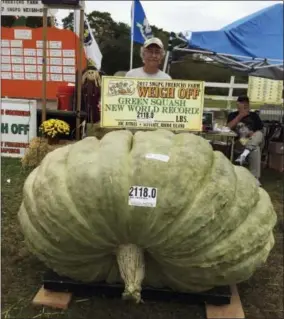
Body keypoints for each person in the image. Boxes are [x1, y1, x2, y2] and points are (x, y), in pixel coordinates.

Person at [227, 95, 264, 184]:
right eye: (242, 104)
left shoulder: (254, 115)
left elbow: (259, 131)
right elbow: (228, 128)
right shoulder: (233, 115)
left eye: (246, 104)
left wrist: (252, 133)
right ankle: (254, 177)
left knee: (259, 135)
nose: (244, 106)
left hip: (251, 140)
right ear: (238, 105)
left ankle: (254, 177)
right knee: (255, 148)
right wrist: (240, 115)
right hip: (239, 142)